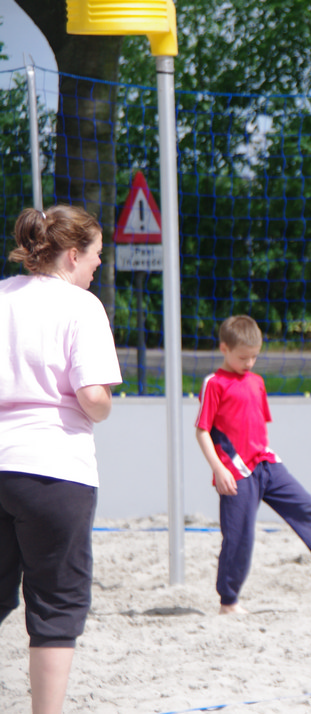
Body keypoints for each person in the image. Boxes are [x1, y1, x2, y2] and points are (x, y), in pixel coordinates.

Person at [0, 205, 122, 714]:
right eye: (96, 254)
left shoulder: (3, 295)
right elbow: (92, 397)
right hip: (54, 469)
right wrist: (104, 404)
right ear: (73, 254)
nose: (99, 264)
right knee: (55, 606)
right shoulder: (81, 305)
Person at [194, 315, 311, 614]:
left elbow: (257, 426)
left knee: (306, 507)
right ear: (224, 349)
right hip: (236, 472)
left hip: (267, 464)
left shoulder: (257, 382)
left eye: (254, 357)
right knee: (239, 536)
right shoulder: (215, 383)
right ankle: (229, 602)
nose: (249, 363)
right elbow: (203, 431)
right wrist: (219, 469)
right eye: (243, 357)